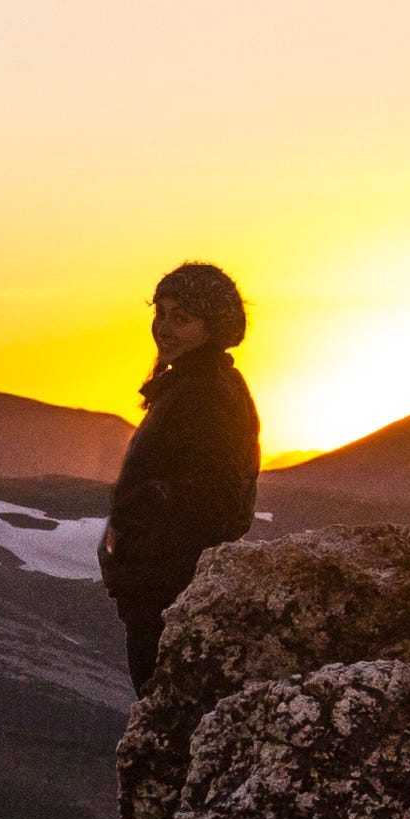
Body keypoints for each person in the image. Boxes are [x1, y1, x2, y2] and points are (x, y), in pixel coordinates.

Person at [98, 260, 262, 682]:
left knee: (161, 707)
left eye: (181, 318)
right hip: (159, 585)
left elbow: (224, 495)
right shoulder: (194, 384)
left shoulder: (207, 392)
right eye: (161, 314)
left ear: (212, 327)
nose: (164, 328)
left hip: (170, 587)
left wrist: (149, 506)